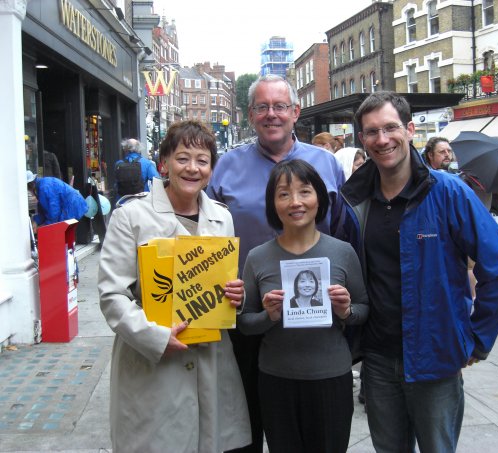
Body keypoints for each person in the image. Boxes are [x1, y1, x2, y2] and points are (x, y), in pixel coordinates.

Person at [341, 92, 498, 452]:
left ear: (410, 129)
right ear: (362, 139)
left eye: (390, 128)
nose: (382, 139)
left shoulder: (449, 193)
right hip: (378, 360)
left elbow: (497, 265)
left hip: (435, 359)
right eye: (372, 132)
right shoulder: (354, 201)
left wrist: (478, 338)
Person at [207, 74, 345, 453]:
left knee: (307, 426)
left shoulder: (327, 164)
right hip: (245, 313)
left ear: (295, 112)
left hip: (311, 313)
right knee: (245, 423)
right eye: (262, 107)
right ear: (250, 115)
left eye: (280, 106)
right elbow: (205, 236)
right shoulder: (225, 168)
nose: (272, 115)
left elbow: (342, 232)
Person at [98, 120, 251, 453]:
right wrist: (154, 335)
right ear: (163, 163)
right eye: (183, 158)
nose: (192, 168)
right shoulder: (131, 217)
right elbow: (112, 295)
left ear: (212, 168)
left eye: (202, 160)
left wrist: (235, 296)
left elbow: (222, 284)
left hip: (210, 359)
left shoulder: (222, 217)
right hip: (153, 362)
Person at [238, 159, 368, 453]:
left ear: (319, 198)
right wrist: (268, 316)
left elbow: (364, 309)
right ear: (273, 204)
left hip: (331, 378)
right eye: (284, 194)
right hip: (276, 379)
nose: (295, 202)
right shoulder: (258, 258)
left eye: (305, 191)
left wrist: (346, 311)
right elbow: (245, 323)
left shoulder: (342, 252)